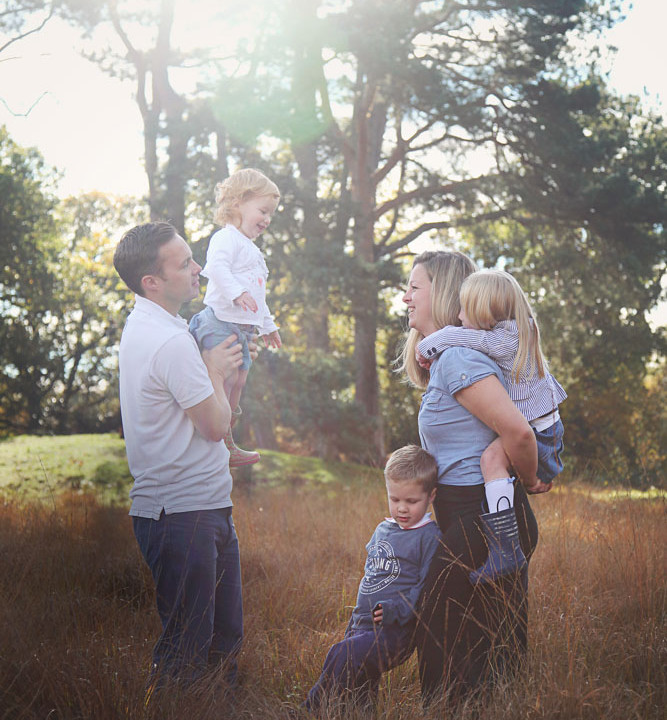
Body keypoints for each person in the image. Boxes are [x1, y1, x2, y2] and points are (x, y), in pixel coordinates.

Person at [399, 250, 548, 708]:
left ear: (440, 293)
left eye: (414, 287)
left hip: (483, 518)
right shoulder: (452, 356)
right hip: (471, 515)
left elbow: (520, 430)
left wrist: (530, 477)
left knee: (450, 641)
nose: (405, 297)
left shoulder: (458, 359)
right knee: (486, 649)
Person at [113, 221, 250, 693]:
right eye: (186, 263)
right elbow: (214, 426)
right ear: (152, 281)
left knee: (222, 640)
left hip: (201, 507)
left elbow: (207, 422)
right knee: (188, 649)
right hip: (182, 515)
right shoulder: (171, 342)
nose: (199, 269)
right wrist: (214, 370)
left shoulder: (153, 325)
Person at [415, 268, 566, 583]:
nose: (457, 316)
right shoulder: (515, 331)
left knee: (491, 460)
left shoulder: (504, 338)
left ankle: (505, 548)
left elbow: (461, 337)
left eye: (463, 309)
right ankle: (505, 546)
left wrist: (529, 477)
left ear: (484, 312)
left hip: (539, 434)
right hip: (545, 430)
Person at [303, 445, 443, 714]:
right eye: (395, 499)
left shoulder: (429, 536)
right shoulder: (383, 528)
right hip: (360, 623)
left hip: (394, 631)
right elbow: (372, 573)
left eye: (411, 501)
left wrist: (396, 611)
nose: (402, 508)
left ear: (431, 496)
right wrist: (355, 618)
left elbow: (426, 588)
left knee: (341, 654)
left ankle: (310, 710)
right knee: (360, 689)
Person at [189, 168, 282, 468]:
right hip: (219, 321)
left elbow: (259, 296)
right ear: (239, 202)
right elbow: (216, 268)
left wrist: (268, 326)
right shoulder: (225, 238)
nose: (267, 219)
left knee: (239, 380)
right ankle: (210, 432)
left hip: (244, 328)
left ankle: (226, 439)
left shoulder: (253, 251)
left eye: (271, 214)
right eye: (263, 210)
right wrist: (235, 292)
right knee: (226, 377)